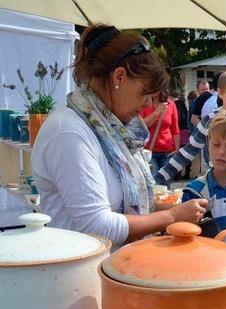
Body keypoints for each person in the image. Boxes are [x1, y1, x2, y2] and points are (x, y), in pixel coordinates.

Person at [31, 24, 207, 246]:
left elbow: (124, 203)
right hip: (82, 274)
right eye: (144, 93)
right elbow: (97, 225)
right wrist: (171, 217)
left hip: (113, 269)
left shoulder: (108, 129)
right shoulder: (69, 132)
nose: (148, 104)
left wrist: (171, 209)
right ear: (119, 77)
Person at [155, 70, 226, 185]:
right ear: (220, 93)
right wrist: (158, 178)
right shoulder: (209, 120)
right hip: (217, 182)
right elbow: (188, 151)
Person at [140, 90, 180, 174]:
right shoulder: (144, 104)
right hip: (149, 151)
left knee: (165, 183)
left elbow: (175, 129)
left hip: (167, 152)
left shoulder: (170, 104)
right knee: (154, 182)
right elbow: (141, 126)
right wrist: (156, 113)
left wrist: (176, 149)